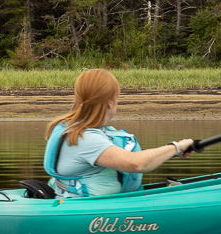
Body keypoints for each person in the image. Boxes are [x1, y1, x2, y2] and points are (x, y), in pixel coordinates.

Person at [44, 70, 195, 198]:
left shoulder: (68, 127)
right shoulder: (85, 138)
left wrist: (173, 151)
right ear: (110, 102)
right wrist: (176, 147)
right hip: (85, 211)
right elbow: (136, 163)